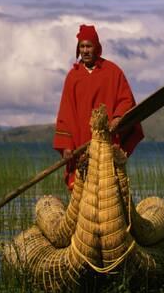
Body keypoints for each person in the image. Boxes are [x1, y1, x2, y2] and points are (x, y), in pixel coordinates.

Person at [53, 24, 144, 190]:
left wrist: (117, 117)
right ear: (78, 49)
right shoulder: (73, 77)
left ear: (97, 48)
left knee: (108, 191)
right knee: (83, 192)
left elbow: (126, 99)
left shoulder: (113, 72)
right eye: (82, 46)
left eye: (89, 46)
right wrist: (66, 145)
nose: (85, 50)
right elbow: (65, 113)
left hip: (106, 143)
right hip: (81, 145)